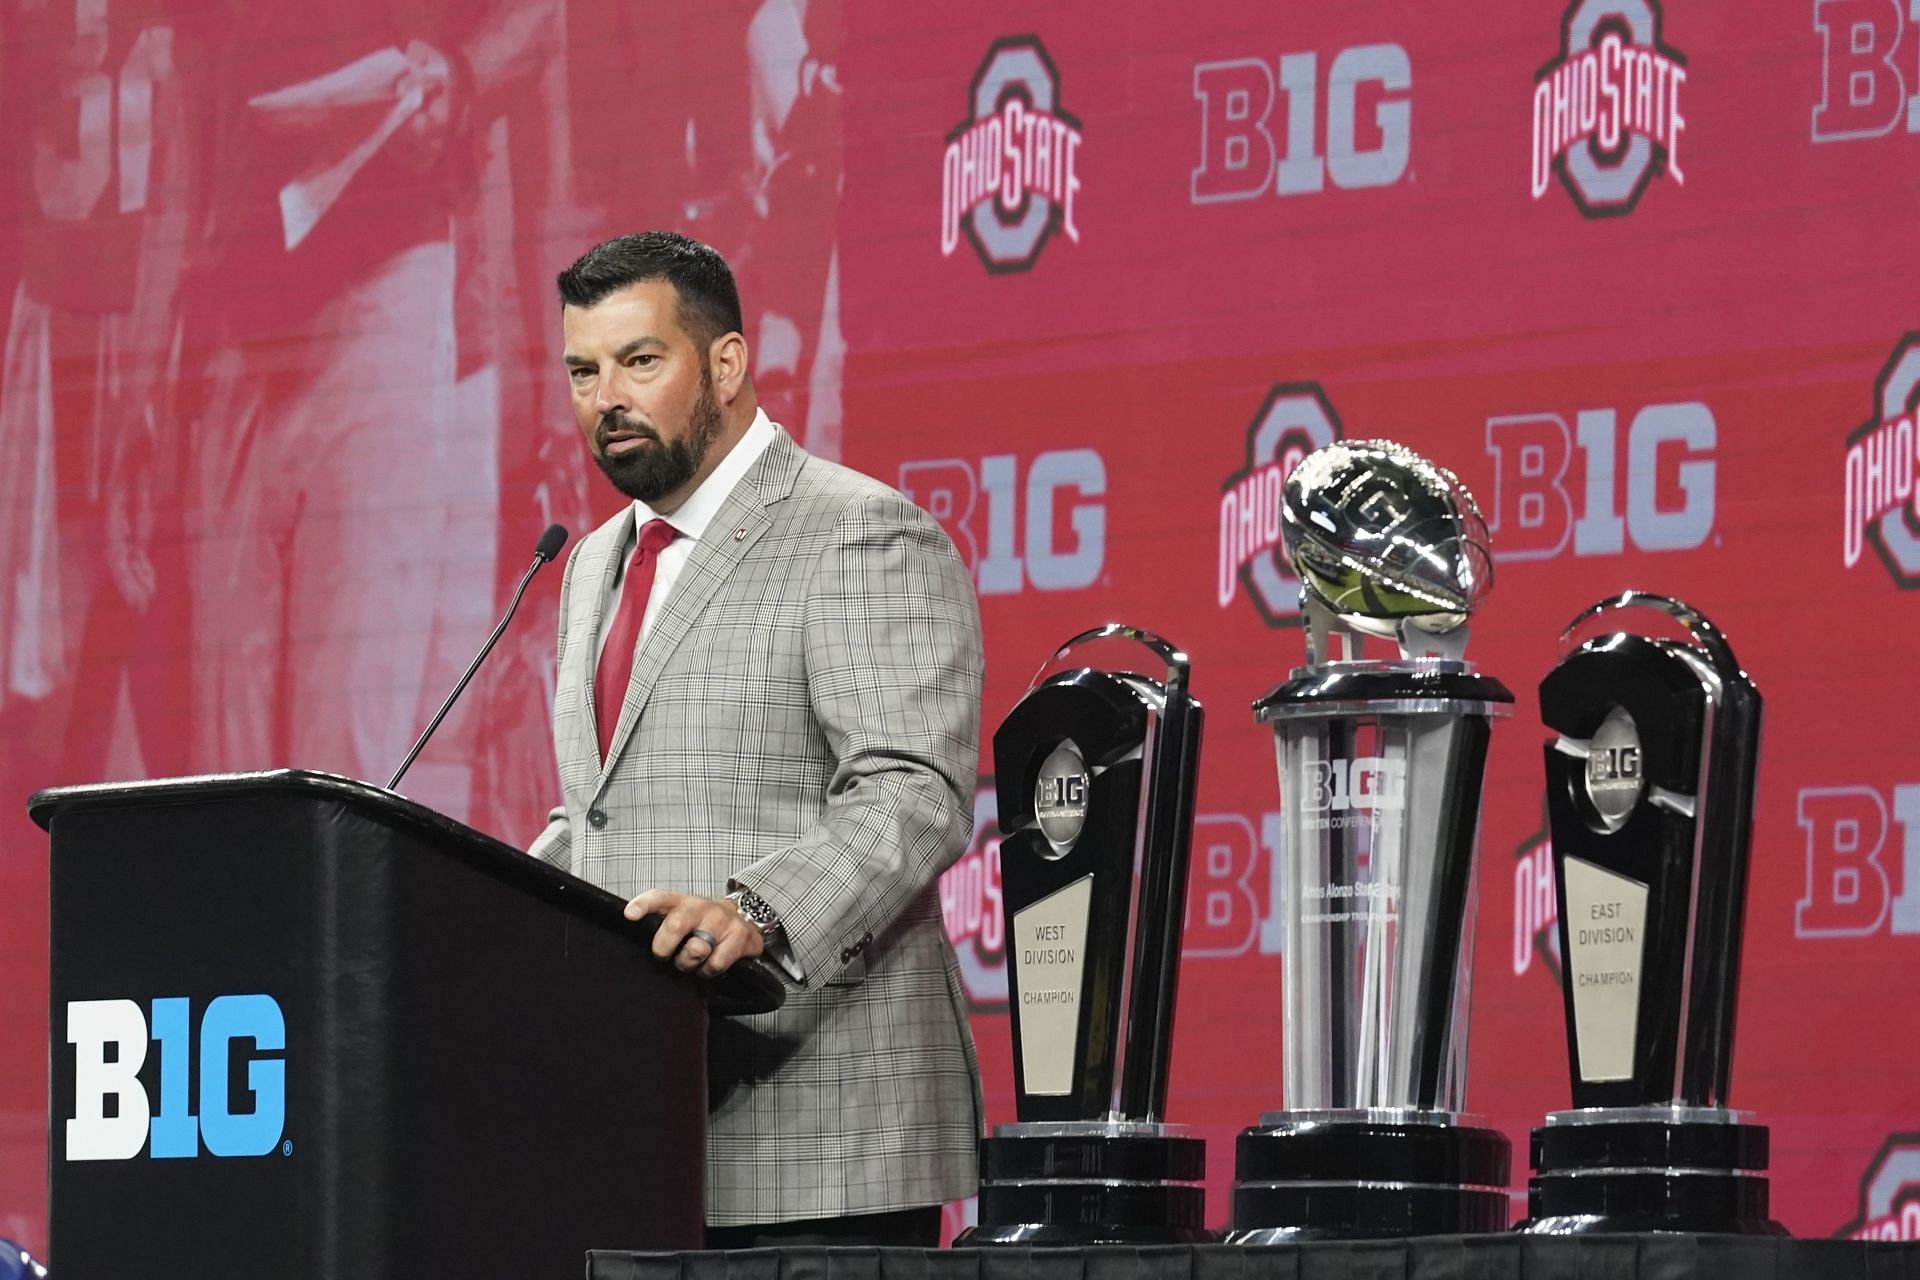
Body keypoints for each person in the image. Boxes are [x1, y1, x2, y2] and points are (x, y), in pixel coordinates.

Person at [530, 231, 983, 1247]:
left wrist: (755, 911)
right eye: (583, 371)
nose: (609, 396)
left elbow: (912, 792)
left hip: (823, 1136)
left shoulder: (858, 532)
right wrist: (482, 905)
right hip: (639, 1127)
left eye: (641, 361)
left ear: (726, 363)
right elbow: (597, 808)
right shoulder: (593, 562)